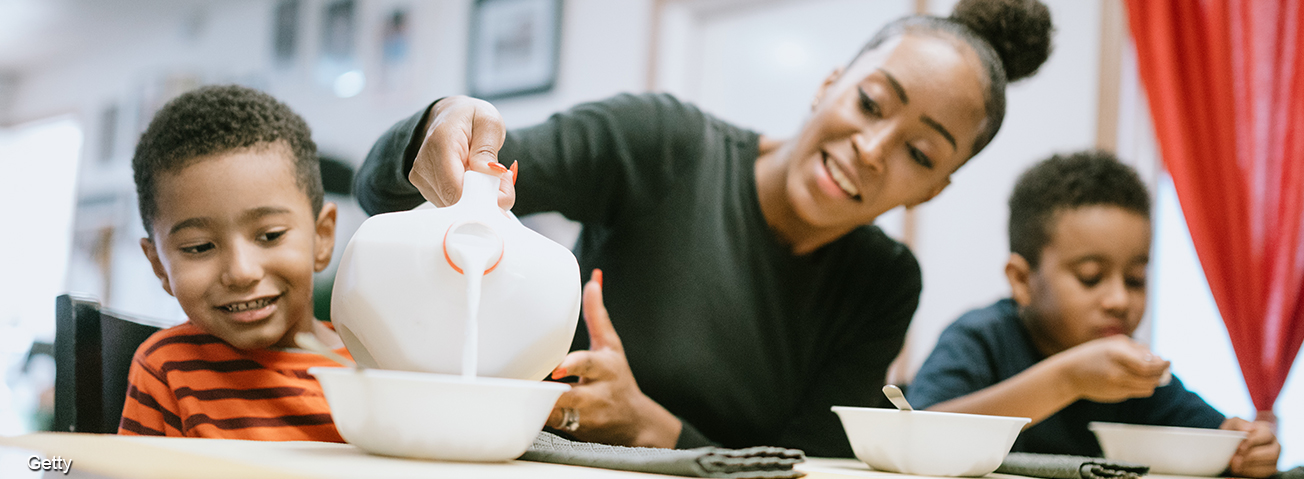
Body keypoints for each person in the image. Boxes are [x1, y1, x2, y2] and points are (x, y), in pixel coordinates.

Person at [355, 0, 1053, 456]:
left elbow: (804, 463)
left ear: (934, 188)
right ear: (830, 83)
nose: (874, 149)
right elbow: (385, 189)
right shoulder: (665, 145)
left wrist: (648, 423)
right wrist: (442, 125)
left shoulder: (883, 282)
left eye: (920, 153)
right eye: (871, 103)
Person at [906, 151, 1281, 477]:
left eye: (1135, 280)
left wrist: (1246, 446)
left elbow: (1220, 435)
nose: (1119, 299)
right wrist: (1068, 379)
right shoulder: (982, 337)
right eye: (1091, 277)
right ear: (1021, 280)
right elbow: (919, 435)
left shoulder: (1132, 374)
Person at [118, 85, 351, 441]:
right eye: (198, 247)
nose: (242, 272)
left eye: (270, 235)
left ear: (322, 237)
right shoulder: (167, 370)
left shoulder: (378, 364)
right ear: (160, 266)